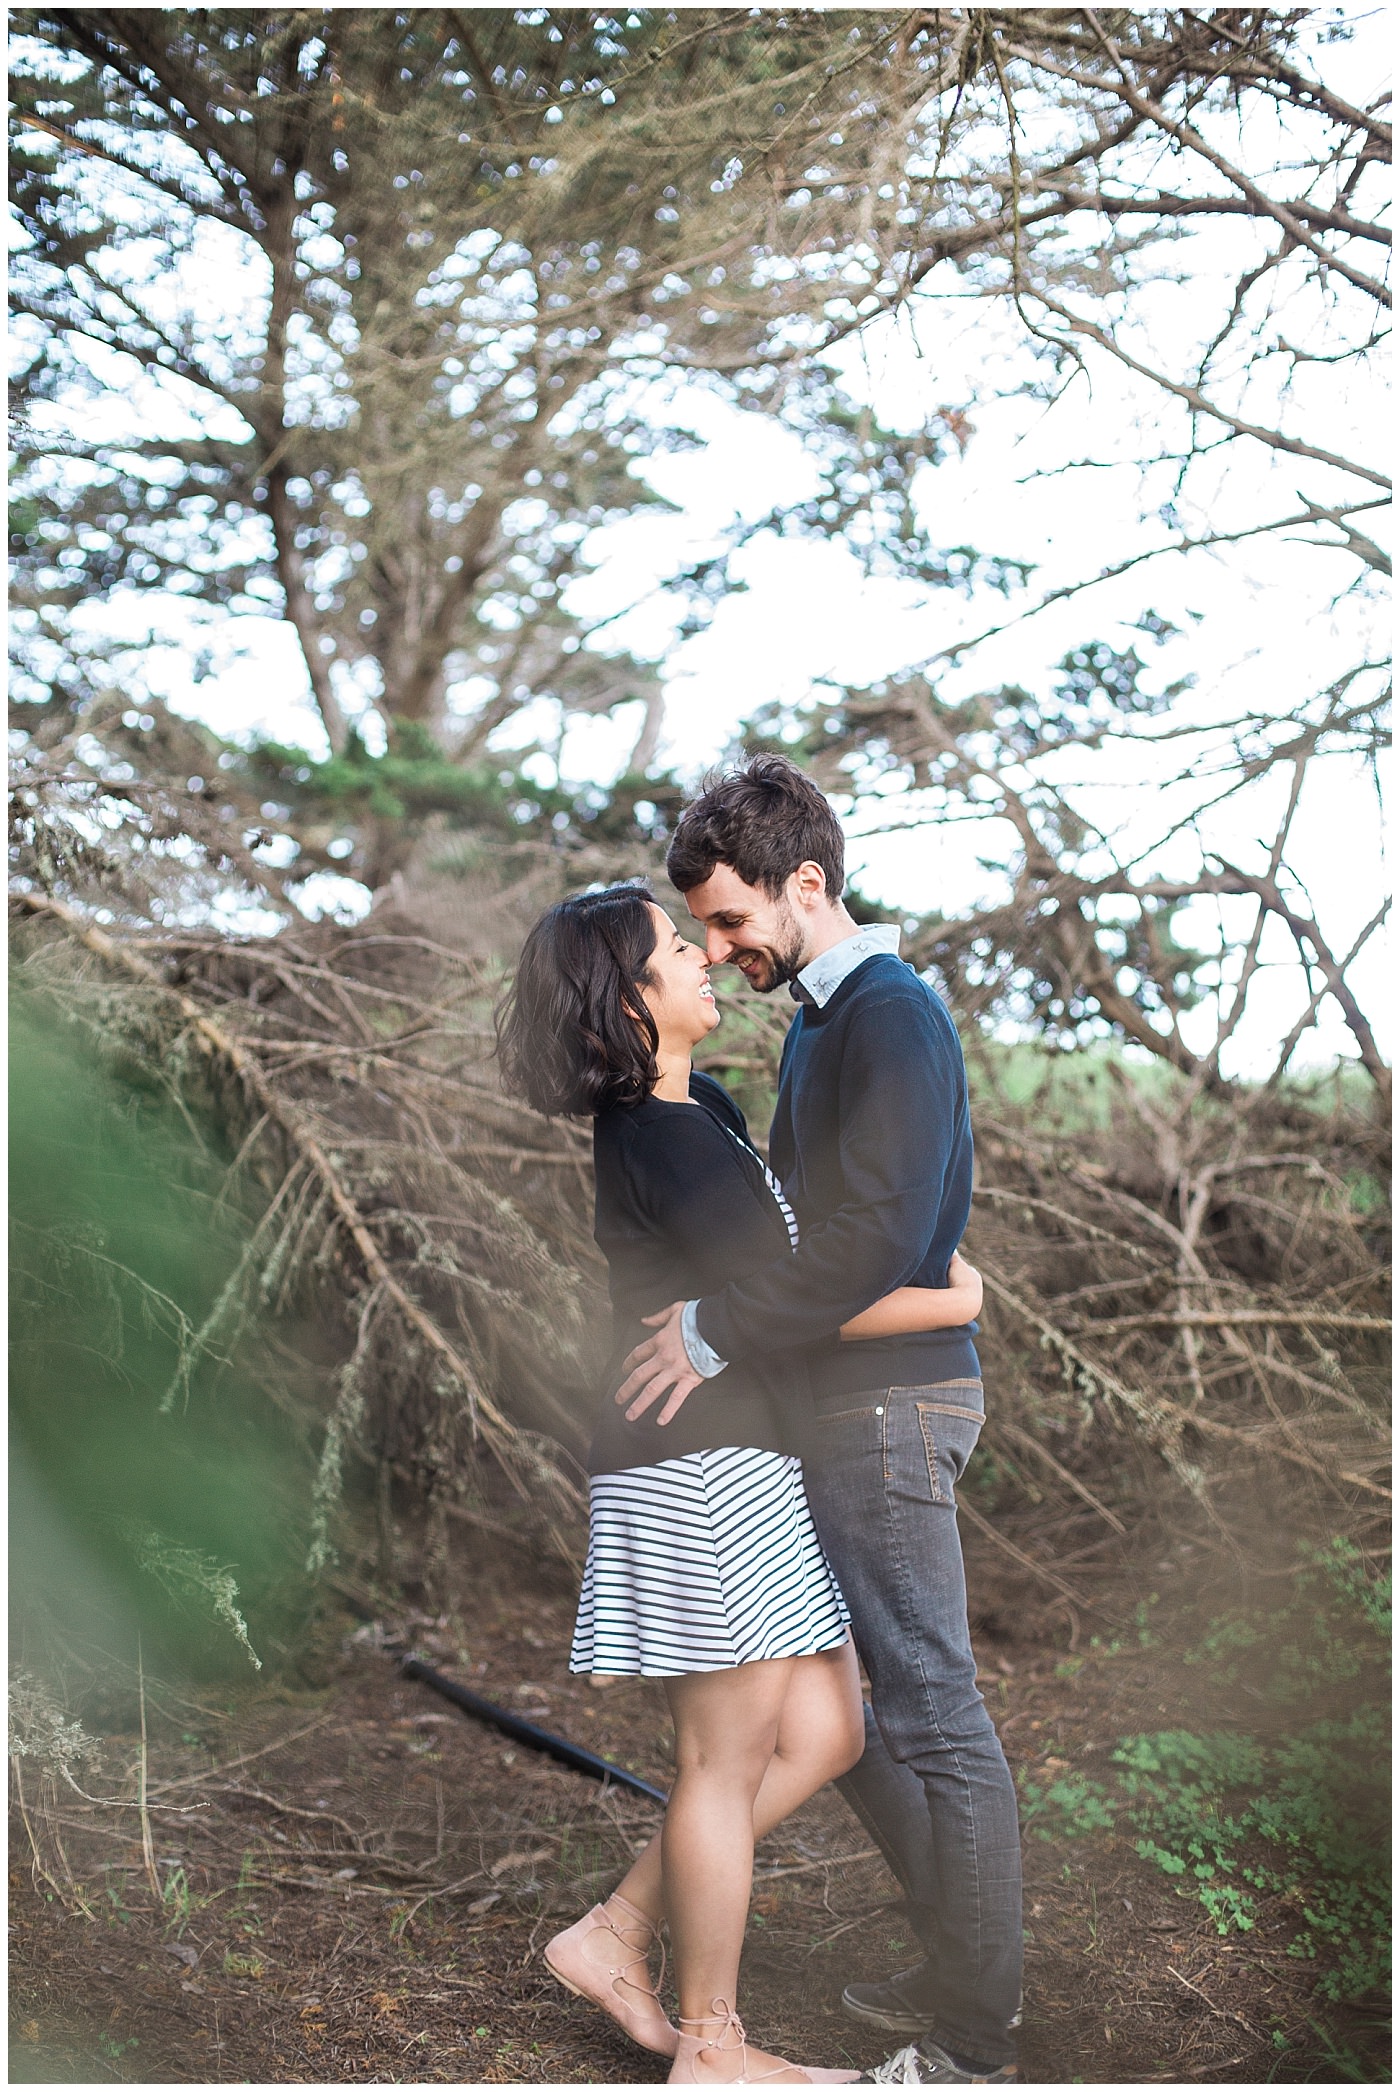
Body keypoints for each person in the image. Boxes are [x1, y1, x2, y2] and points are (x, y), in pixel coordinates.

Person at [496, 882, 985, 2087]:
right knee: (722, 1762)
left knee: (825, 1728)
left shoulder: (698, 1104)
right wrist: (954, 1299)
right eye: (679, 947)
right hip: (698, 1470)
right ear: (631, 998)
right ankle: (711, 2047)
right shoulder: (660, 1137)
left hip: (740, 1460)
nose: (706, 957)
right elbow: (800, 1304)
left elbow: (788, 1275)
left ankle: (614, 1929)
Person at [615, 755, 1024, 2087]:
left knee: (931, 1712)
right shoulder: (822, 1024)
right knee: (848, 1719)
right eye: (705, 933)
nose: (722, 951)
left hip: (892, 1405)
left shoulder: (890, 1011)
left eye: (730, 921)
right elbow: (817, 1233)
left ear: (808, 883)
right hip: (840, 1405)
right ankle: (955, 1961)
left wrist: (717, 1326)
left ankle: (974, 2036)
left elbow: (875, 1237)